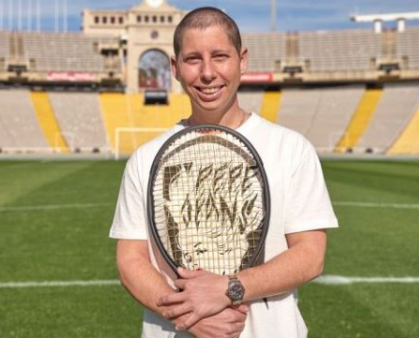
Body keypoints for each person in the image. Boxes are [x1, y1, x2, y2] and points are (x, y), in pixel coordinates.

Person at [110, 7, 338, 338]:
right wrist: (190, 314)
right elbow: (131, 262)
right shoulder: (145, 160)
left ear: (242, 60)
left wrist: (229, 288)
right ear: (174, 68)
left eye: (220, 56)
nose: (207, 73)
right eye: (192, 59)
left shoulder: (291, 149)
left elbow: (309, 256)